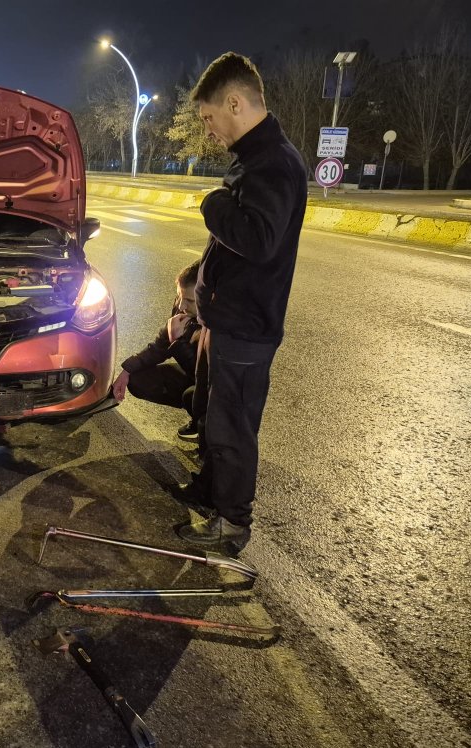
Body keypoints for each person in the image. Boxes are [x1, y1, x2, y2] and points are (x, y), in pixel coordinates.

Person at [173, 52, 308, 554]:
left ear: (235, 102)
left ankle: (232, 526)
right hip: (226, 319)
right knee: (212, 416)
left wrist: (212, 205)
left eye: (210, 117)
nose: (208, 129)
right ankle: (210, 494)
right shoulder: (255, 160)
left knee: (233, 429)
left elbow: (258, 239)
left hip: (247, 328)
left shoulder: (272, 163)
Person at [112, 260, 203, 438]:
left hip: (219, 386)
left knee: (192, 395)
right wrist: (126, 370)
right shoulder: (183, 307)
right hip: (194, 371)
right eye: (180, 296)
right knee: (138, 379)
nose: (182, 306)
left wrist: (178, 341)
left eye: (190, 300)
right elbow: (159, 348)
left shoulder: (222, 323)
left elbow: (208, 377)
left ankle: (207, 429)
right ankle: (200, 415)